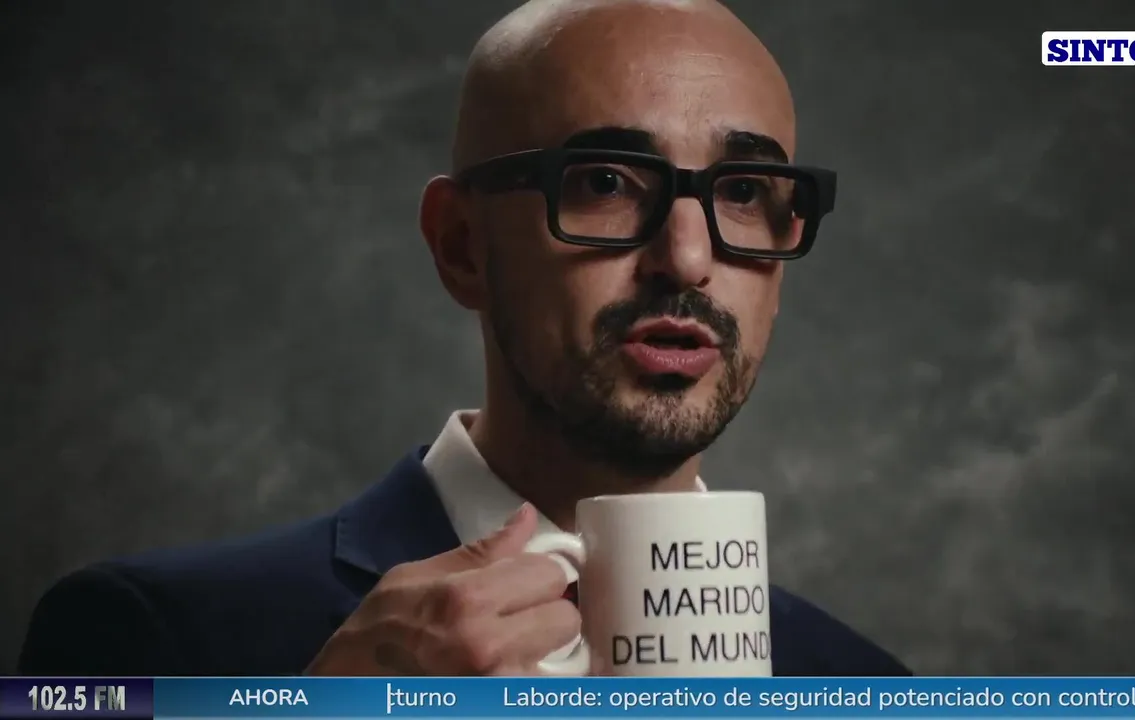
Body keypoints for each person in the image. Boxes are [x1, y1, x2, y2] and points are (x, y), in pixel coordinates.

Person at [18, 0, 909, 677]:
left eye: (744, 193)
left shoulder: (860, 683)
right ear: (460, 245)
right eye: (605, 181)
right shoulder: (149, 640)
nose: (686, 258)